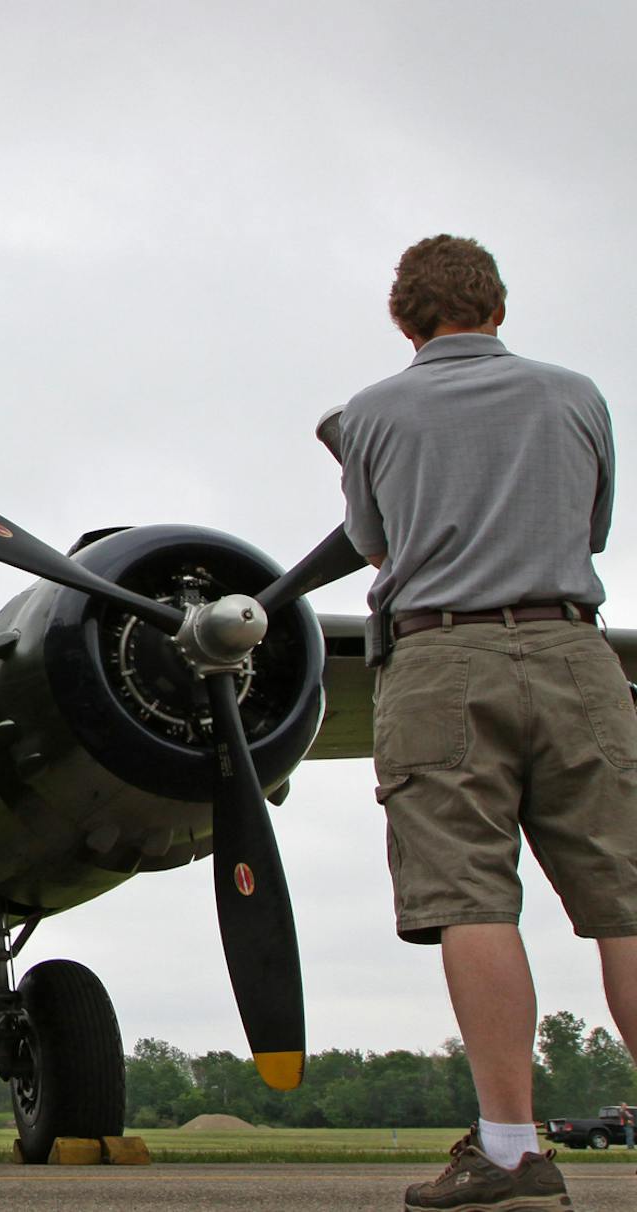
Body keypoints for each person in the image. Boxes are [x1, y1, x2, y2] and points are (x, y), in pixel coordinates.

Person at [335, 234, 624, 1212]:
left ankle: (509, 1150)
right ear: (497, 307)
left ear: (403, 320)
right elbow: (591, 528)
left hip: (439, 659)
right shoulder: (576, 394)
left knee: (472, 900)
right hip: (578, 650)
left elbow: (374, 546)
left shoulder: (371, 414)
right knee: (626, 900)